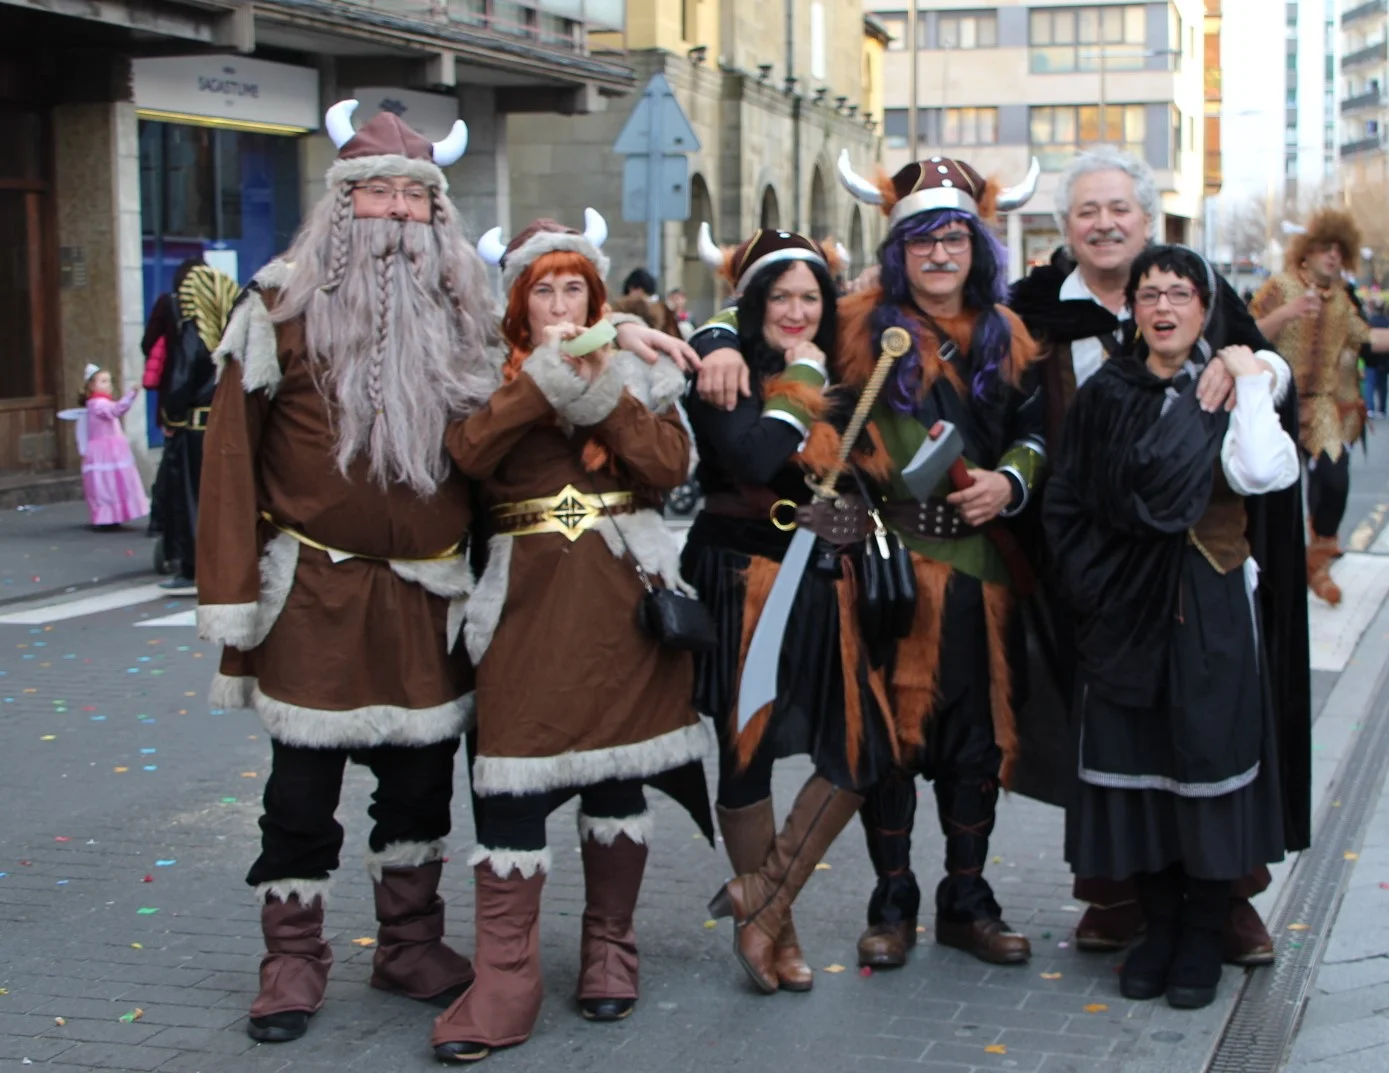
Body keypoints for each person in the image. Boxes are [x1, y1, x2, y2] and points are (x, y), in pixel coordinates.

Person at [195, 99, 500, 1045]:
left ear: (436, 211)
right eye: (378, 192)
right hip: (313, 592)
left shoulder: (470, 313)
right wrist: (230, 601)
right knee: (300, 791)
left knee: (420, 784)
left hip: (428, 594)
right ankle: (291, 956)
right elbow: (230, 460)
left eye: (416, 195)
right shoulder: (277, 305)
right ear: (342, 203)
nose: (398, 211)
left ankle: (409, 942)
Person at [430, 213, 711, 1063]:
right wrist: (542, 380)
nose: (559, 305)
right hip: (523, 607)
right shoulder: (483, 375)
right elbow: (467, 455)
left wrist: (600, 387)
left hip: (621, 603)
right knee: (509, 785)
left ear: (595, 298)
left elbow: (668, 467)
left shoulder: (638, 368)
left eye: (573, 290)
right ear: (519, 303)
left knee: (616, 776)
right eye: (543, 290)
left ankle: (609, 948)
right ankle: (506, 977)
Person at [1006, 146, 1293, 966]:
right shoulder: (1031, 312)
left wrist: (1253, 365)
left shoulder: (1199, 292)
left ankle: (1224, 899)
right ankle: (1119, 891)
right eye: (1086, 211)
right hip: (1090, 563)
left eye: (1118, 209)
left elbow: (1267, 378)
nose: (1103, 224)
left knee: (1206, 731)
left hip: (1198, 566)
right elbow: (1007, 413)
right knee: (1113, 737)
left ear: (1146, 218)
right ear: (1065, 227)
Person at [830, 151, 1045, 967]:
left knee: (974, 743)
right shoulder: (858, 331)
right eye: (922, 240)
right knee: (888, 741)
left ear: (975, 247)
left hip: (980, 567)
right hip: (887, 567)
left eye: (954, 238)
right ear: (899, 251)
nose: (939, 254)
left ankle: (966, 900)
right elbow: (819, 414)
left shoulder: (1005, 334)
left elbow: (1034, 434)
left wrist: (1007, 482)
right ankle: (891, 903)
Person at [683, 225, 896, 994]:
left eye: (810, 297)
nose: (797, 311)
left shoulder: (841, 367)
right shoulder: (724, 366)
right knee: (747, 749)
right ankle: (778, 930)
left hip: (823, 577)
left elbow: (861, 475)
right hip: (742, 575)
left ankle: (764, 902)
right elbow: (750, 456)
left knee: (860, 749)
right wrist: (794, 376)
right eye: (780, 297)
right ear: (753, 303)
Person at [1253, 210, 1389, 606]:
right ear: (1306, 252)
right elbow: (1246, 331)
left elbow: (1368, 340)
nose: (1332, 256)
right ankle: (1270, 572)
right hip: (1275, 400)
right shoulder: (1279, 286)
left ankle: (1319, 559)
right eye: (1325, 248)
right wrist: (1286, 313)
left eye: (1339, 251)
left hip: (1322, 405)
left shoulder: (1344, 300)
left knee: (1335, 479)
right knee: (1271, 490)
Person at [147, 260, 241, 589]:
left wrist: (172, 417)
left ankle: (193, 568)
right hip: (227, 426)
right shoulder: (235, 334)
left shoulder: (195, 332)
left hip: (196, 428)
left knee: (192, 501)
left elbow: (180, 379)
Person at [78, 364, 148, 530]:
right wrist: (131, 394)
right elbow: (116, 410)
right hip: (104, 451)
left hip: (112, 449)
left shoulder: (101, 402)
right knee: (106, 484)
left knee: (115, 482)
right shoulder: (97, 404)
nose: (107, 385)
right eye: (103, 381)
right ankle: (106, 516)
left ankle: (115, 515)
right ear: (91, 385)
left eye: (108, 381)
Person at [612, 267, 682, 337]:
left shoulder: (659, 311)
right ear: (632, 288)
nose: (646, 299)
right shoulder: (619, 310)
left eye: (648, 295)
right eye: (643, 293)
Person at [1367, 300, 1389, 417]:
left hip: (1371, 356)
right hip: (1385, 357)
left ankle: (1370, 407)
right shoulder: (1387, 322)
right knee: (1383, 384)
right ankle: (1382, 409)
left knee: (1370, 383)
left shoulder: (1369, 322)